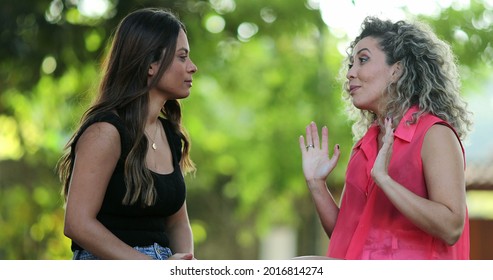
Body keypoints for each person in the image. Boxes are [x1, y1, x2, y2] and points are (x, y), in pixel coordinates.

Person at [298, 16, 473, 259]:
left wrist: (384, 179)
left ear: (396, 70)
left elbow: (452, 226)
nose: (350, 73)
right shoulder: (365, 147)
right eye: (351, 64)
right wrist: (317, 185)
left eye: (363, 60)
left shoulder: (435, 135)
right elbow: (348, 238)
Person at [57, 8, 198, 260]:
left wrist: (183, 264)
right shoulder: (105, 132)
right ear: (151, 65)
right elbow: (77, 224)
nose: (192, 67)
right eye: (182, 57)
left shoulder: (171, 135)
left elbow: (177, 224)